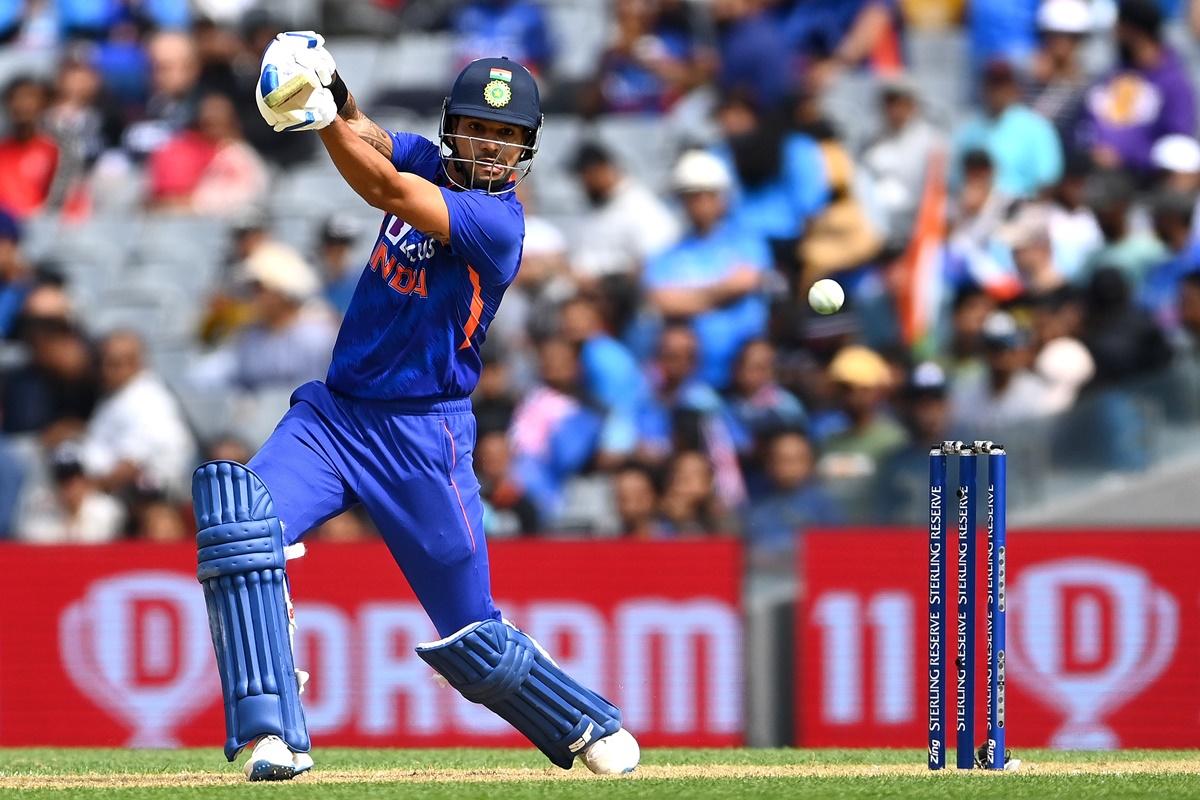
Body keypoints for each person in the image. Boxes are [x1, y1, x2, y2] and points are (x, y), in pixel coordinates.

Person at [197, 36, 640, 782]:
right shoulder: (430, 158)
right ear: (452, 128)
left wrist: (317, 118)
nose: (491, 147)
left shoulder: (498, 224)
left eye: (507, 136)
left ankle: (583, 722)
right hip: (335, 419)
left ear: (526, 148)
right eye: (479, 129)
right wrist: (330, 87)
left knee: (471, 635)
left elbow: (385, 191)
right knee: (240, 524)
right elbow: (370, 134)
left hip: (421, 437)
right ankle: (272, 731)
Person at [645, 150, 770, 389]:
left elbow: (744, 282)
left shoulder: (746, 241)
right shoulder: (668, 254)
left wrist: (691, 299)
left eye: (708, 195)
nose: (701, 203)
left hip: (745, 375)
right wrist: (721, 294)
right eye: (692, 196)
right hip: (694, 380)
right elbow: (663, 301)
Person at [1081, 0, 1196, 173]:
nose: (1113, 32)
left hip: (1144, 176)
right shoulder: (1113, 74)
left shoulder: (1174, 83)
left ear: (1134, 31)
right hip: (1095, 167)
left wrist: (1127, 156)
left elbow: (1177, 142)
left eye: (1119, 26)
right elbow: (1087, 119)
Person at [954, 60, 1063, 198]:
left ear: (1014, 88)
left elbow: (1048, 181)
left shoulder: (1036, 128)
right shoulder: (969, 132)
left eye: (1003, 85)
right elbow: (957, 181)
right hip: (978, 212)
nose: (997, 91)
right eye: (993, 84)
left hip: (1022, 210)